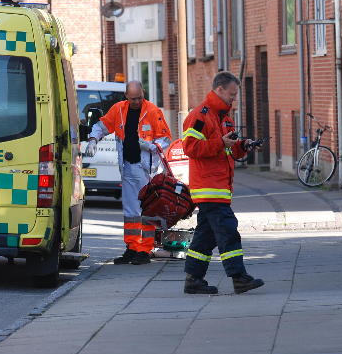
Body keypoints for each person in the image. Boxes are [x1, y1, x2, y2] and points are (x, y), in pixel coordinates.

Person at [181, 71, 264, 294]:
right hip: (209, 187)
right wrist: (220, 142)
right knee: (228, 231)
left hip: (218, 187)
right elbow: (190, 148)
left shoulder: (224, 118)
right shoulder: (200, 116)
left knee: (205, 237)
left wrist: (244, 145)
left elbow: (228, 147)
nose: (233, 99)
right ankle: (239, 277)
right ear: (219, 90)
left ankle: (193, 280)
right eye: (231, 94)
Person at [85, 81, 172, 265]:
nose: (136, 102)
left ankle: (145, 249)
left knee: (147, 209)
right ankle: (132, 248)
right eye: (133, 99)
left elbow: (165, 140)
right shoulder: (118, 110)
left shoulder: (153, 111)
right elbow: (101, 126)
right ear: (126, 96)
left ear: (143, 93)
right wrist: (93, 139)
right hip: (128, 167)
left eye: (139, 98)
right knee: (131, 212)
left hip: (147, 170)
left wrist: (148, 146)